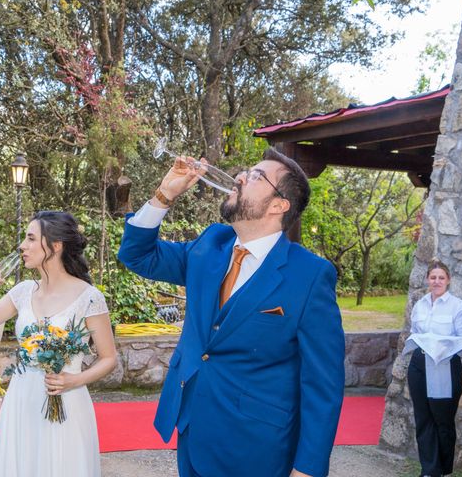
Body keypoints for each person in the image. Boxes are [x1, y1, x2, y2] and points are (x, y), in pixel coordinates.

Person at [118, 148, 345, 477]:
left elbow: (322, 383)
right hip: (192, 429)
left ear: (279, 205)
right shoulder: (211, 243)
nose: (240, 177)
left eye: (256, 176)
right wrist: (164, 196)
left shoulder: (310, 275)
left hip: (256, 449)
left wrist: (307, 468)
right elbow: (137, 255)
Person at [0, 211, 117, 477]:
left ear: (56, 246)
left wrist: (73, 380)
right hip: (22, 398)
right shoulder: (22, 291)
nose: (22, 245)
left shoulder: (89, 297)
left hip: (66, 400)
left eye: (31, 238)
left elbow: (109, 358)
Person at [403, 260, 462, 477]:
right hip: (419, 365)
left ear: (448, 281)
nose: (436, 281)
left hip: (445, 366)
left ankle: (444, 471)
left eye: (441, 278)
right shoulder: (420, 305)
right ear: (428, 279)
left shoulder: (459, 307)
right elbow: (414, 332)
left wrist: (443, 345)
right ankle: (429, 470)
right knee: (423, 419)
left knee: (443, 421)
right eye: (433, 277)